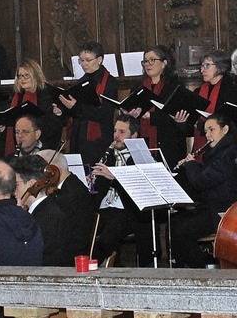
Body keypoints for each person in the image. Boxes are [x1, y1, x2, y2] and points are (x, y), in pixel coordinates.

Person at [171, 114, 237, 268]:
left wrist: (191, 164)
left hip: (224, 213)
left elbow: (201, 181)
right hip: (210, 207)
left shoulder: (229, 154)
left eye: (211, 129)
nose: (207, 135)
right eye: (206, 131)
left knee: (182, 232)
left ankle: (200, 270)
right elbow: (204, 178)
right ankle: (181, 271)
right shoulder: (217, 153)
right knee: (173, 223)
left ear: (225, 129)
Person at [90, 115, 156, 266]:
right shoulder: (109, 154)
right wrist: (93, 180)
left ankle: (94, 269)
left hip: (129, 211)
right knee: (81, 228)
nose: (116, 136)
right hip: (107, 207)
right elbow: (99, 189)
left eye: (122, 132)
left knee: (108, 236)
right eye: (115, 131)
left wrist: (114, 178)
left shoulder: (139, 158)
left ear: (134, 136)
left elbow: (139, 192)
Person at [54, 41, 118, 166]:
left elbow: (105, 113)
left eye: (88, 60)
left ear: (99, 59)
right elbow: (74, 112)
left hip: (98, 140)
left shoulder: (109, 82)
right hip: (78, 137)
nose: (84, 64)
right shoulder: (81, 81)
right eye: (81, 60)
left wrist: (76, 107)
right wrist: (63, 110)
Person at [123, 45, 186, 169]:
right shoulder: (139, 86)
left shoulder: (174, 86)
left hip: (169, 144)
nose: (147, 64)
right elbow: (132, 114)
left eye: (152, 60)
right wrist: (128, 112)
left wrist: (150, 116)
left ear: (164, 63)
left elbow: (176, 117)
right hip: (142, 144)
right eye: (145, 61)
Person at [11, 154, 71, 266]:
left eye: (16, 185)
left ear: (32, 184)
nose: (14, 191)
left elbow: (31, 253)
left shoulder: (49, 216)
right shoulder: (40, 210)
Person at [36, 150, 96, 258]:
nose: (37, 177)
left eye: (39, 171)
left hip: (69, 254)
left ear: (52, 170)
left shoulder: (73, 192)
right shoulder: (67, 186)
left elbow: (55, 229)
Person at [5, 59, 63, 155]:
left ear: (35, 75)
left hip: (43, 145)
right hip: (19, 145)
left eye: (26, 75)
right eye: (20, 76)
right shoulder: (16, 97)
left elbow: (54, 125)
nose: (22, 79)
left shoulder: (47, 95)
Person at [185, 50, 237, 152]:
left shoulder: (232, 89)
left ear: (220, 66)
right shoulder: (198, 91)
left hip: (226, 146)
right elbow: (189, 125)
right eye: (202, 66)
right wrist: (182, 121)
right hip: (202, 142)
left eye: (207, 66)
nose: (202, 70)